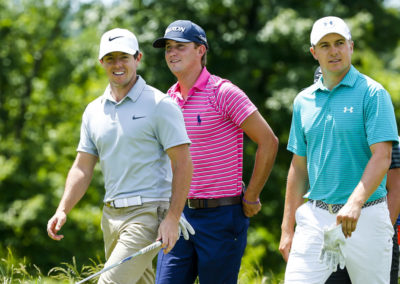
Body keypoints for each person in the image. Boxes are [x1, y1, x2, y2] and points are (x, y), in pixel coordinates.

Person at [46, 28, 193, 284]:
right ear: (101, 62)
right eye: (110, 58)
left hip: (148, 213)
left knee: (109, 282)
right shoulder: (93, 111)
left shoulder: (159, 105)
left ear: (138, 58)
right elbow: (82, 166)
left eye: (124, 57)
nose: (117, 64)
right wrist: (63, 209)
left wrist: (171, 217)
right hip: (110, 216)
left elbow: (182, 163)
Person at [152, 20, 279, 283]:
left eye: (180, 47)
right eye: (167, 48)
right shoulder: (168, 99)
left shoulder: (223, 93)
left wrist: (252, 196)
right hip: (180, 215)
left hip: (222, 217)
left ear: (201, 50)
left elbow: (268, 141)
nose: (171, 53)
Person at [279, 16, 398, 283]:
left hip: (366, 216)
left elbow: (383, 156)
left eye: (339, 43)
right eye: (325, 45)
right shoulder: (303, 102)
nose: (334, 50)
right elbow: (298, 168)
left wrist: (354, 203)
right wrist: (287, 228)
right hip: (316, 216)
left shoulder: (373, 94)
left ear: (351, 47)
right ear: (314, 53)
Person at [314, 67, 400, 283]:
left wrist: (378, 234)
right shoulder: (316, 131)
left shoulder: (379, 127)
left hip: (373, 234)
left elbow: (396, 187)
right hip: (332, 237)